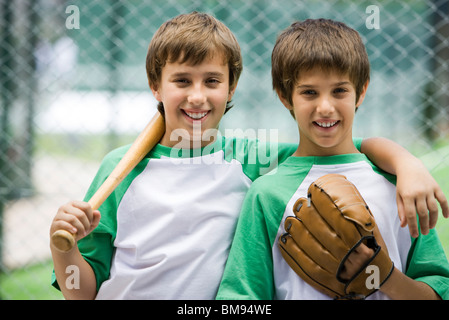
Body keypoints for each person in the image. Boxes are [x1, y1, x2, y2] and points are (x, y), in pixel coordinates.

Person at [50, 12, 447, 300]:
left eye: (212, 81)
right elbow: (78, 294)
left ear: (231, 87)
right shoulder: (118, 172)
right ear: (156, 85)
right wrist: (62, 248)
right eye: (181, 81)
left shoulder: (250, 160)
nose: (197, 96)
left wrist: (407, 164)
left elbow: (342, 153)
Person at [216, 18, 449, 300]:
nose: (325, 107)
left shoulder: (399, 186)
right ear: (285, 96)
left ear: (361, 92)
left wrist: (385, 277)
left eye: (339, 91)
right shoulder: (266, 195)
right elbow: (242, 296)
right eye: (309, 92)